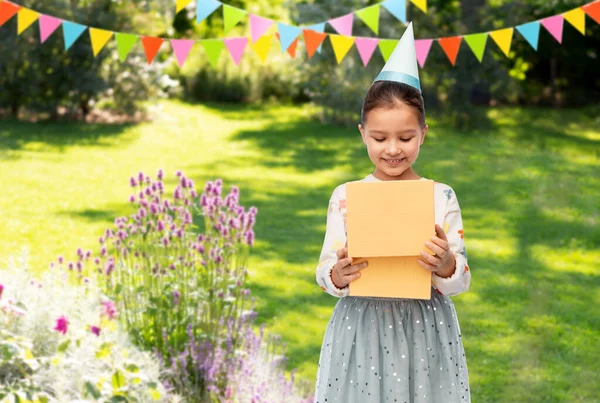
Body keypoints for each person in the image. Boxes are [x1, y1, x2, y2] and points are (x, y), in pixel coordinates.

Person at [314, 22, 471, 403]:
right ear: (362, 133)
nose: (393, 149)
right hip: (361, 326)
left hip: (425, 327)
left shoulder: (440, 196)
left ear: (423, 133)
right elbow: (324, 273)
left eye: (406, 137)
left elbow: (460, 279)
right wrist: (338, 273)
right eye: (380, 138)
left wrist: (446, 263)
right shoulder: (346, 197)